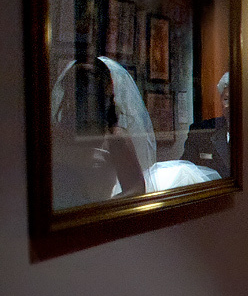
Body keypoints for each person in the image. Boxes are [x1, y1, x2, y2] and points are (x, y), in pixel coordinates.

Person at [51, 56, 156, 210]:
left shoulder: (114, 137)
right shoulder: (53, 133)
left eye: (87, 85)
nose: (80, 93)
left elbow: (136, 188)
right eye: (75, 86)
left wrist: (98, 208)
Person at [181, 72, 231, 178]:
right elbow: (185, 171)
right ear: (220, 100)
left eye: (237, 100)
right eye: (226, 99)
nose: (230, 106)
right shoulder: (201, 131)